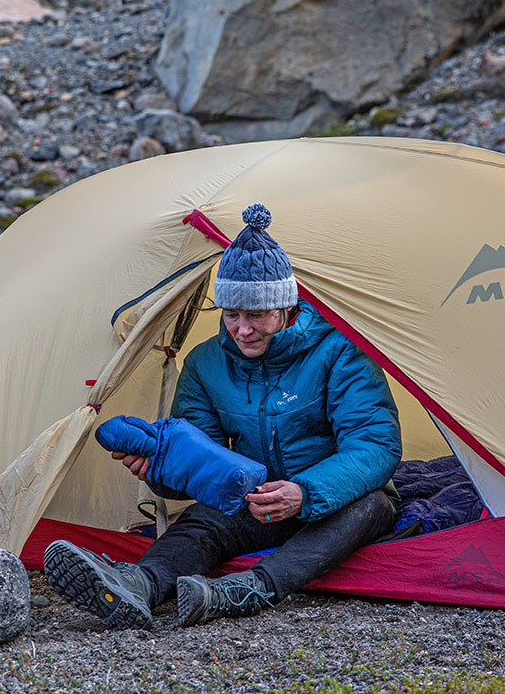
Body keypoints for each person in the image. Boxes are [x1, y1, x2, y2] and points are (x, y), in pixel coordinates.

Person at [44, 203, 402, 628]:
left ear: (287, 309)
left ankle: (248, 589)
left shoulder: (339, 350)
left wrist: (304, 493)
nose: (242, 330)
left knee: (374, 505)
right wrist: (161, 468)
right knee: (202, 520)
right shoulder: (206, 364)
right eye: (231, 315)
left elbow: (376, 443)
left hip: (331, 499)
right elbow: (204, 460)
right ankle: (139, 584)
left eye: (256, 316)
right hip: (256, 501)